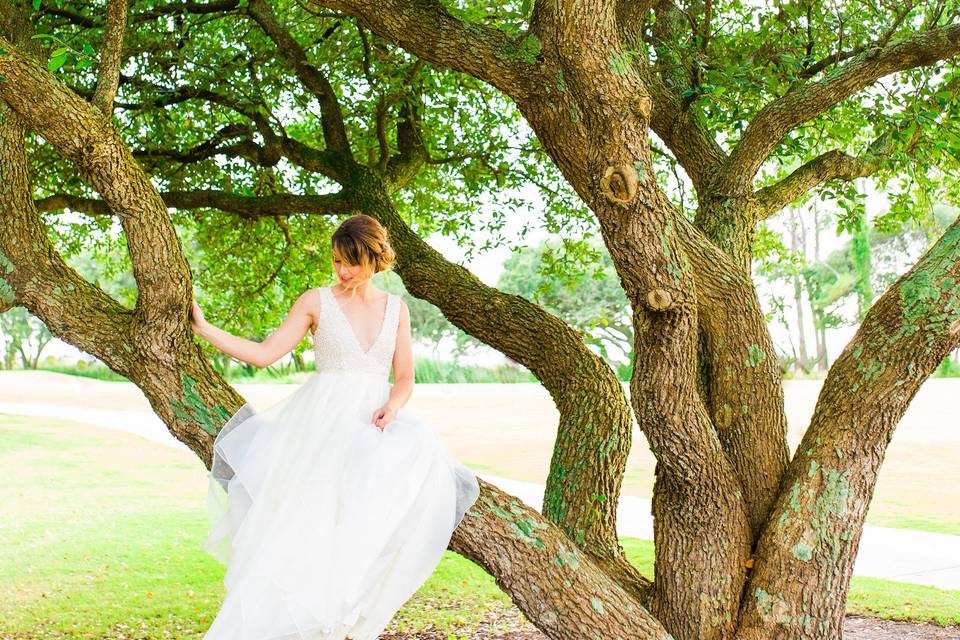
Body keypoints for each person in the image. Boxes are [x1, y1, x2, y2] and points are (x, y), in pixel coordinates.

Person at [189, 214, 481, 640]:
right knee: (300, 530)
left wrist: (393, 407)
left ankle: (341, 617)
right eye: (337, 261)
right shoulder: (315, 301)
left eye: (353, 262)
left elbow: (404, 378)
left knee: (368, 522)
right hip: (319, 427)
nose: (343, 271)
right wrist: (205, 328)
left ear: (375, 260)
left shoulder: (396, 310)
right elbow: (264, 354)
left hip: (372, 427)